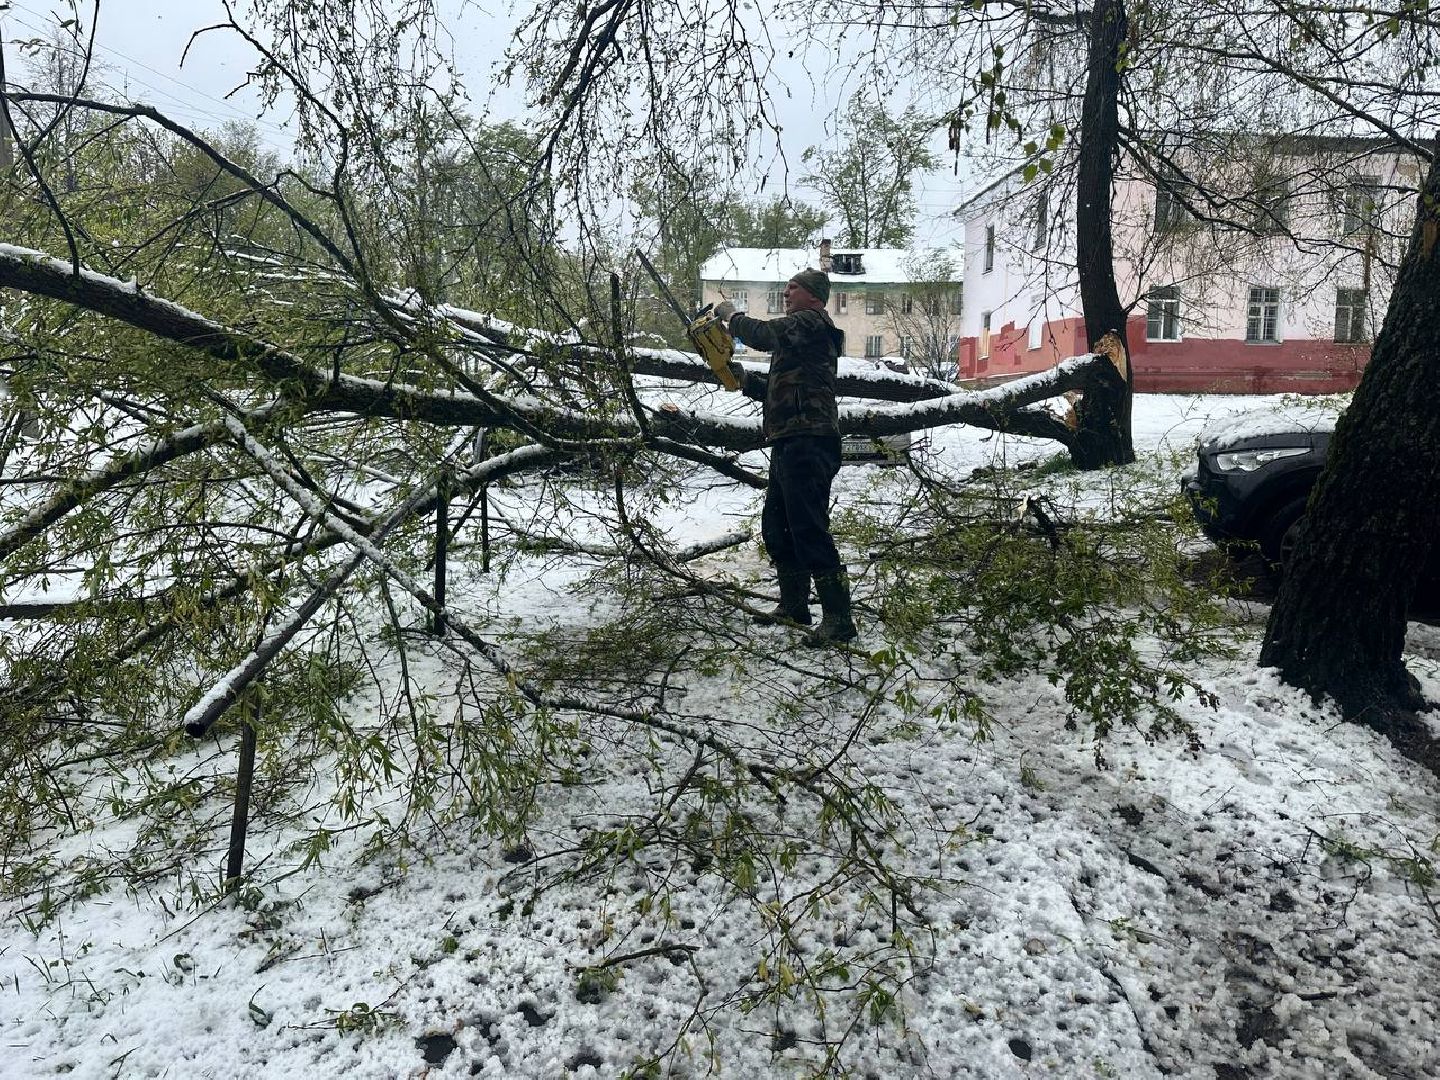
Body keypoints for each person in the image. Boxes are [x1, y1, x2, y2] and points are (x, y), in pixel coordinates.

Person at [713, 269, 856, 645]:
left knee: (809, 528)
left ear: (814, 296)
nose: (787, 292)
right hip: (790, 440)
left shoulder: (810, 322)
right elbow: (783, 390)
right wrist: (744, 380)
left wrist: (732, 318)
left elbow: (763, 334)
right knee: (778, 526)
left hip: (810, 441)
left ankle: (839, 620)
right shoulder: (798, 339)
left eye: (795, 287)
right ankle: (795, 606)